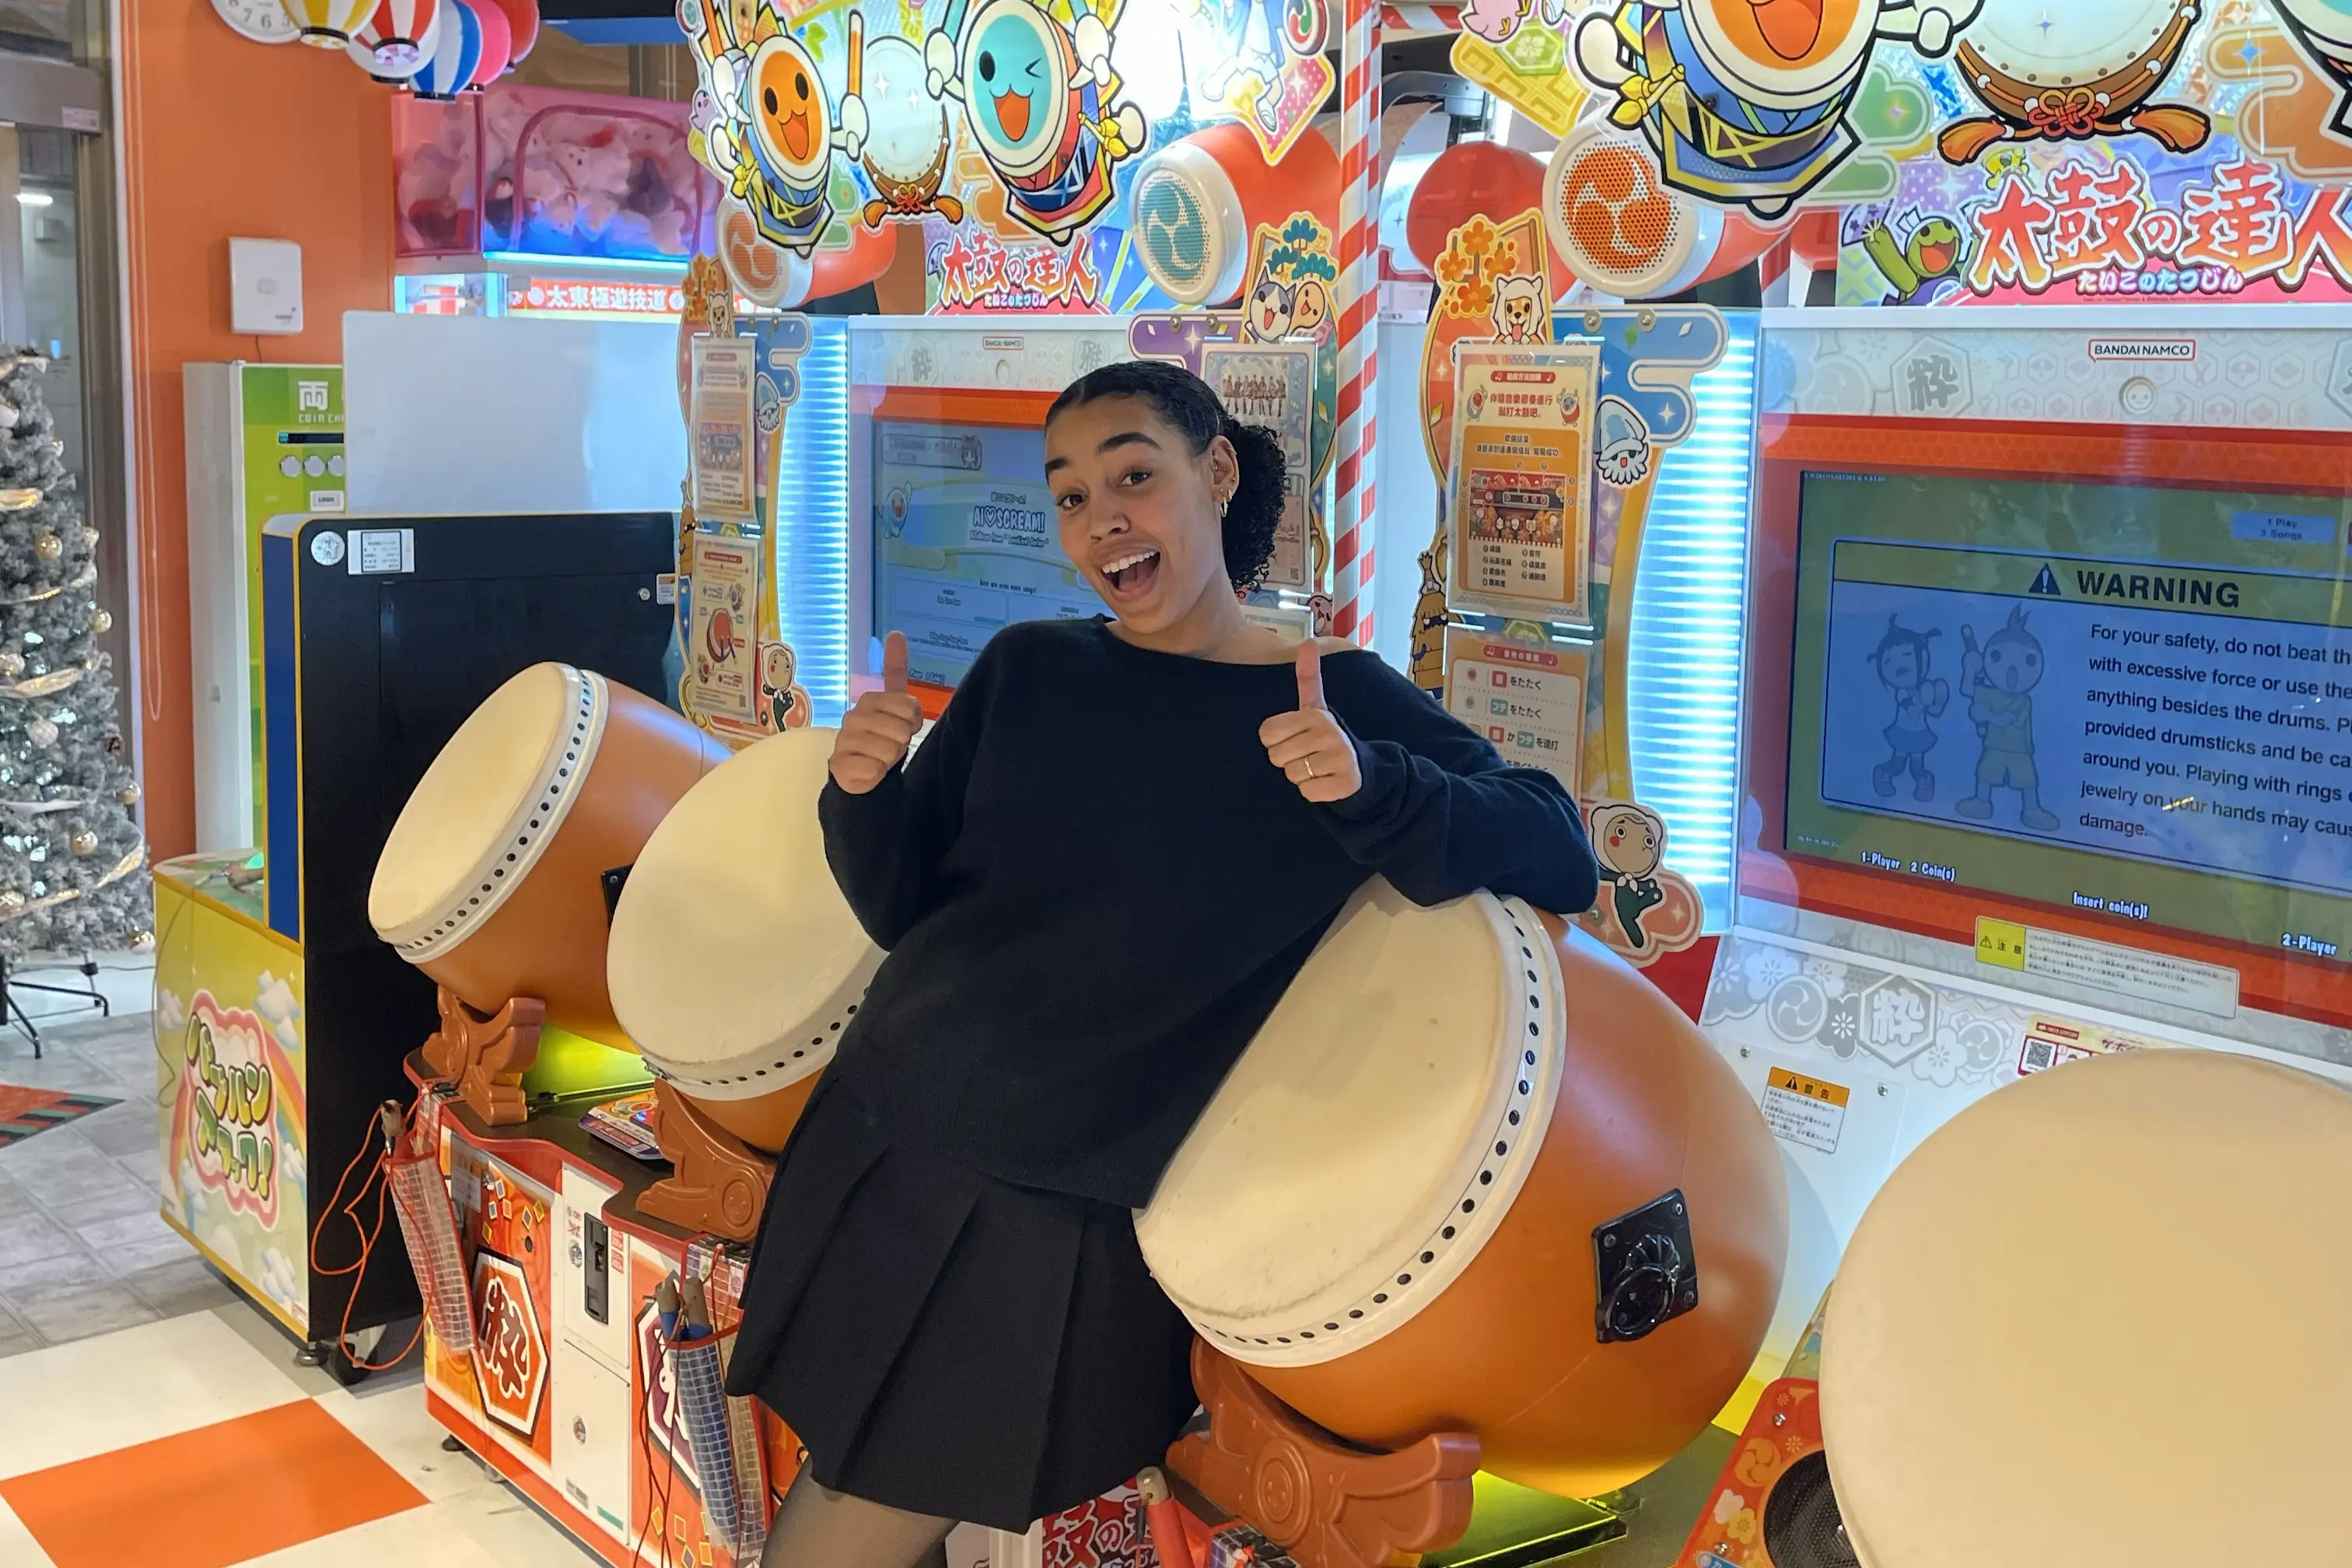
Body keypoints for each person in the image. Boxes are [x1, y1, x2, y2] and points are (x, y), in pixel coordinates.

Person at [730, 359, 1600, 1568]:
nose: (1104, 522)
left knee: (838, 1535)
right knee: (853, 1477)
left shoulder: (1326, 697)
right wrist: (862, 795)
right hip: (884, 1133)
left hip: (1056, 1215)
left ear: (1217, 473)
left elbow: (1557, 845)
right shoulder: (1031, 665)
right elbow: (905, 906)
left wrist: (1372, 786)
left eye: (1134, 476)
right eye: (1072, 498)